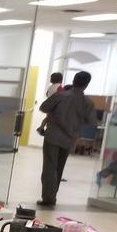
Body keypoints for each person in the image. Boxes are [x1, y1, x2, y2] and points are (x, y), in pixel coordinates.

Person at [37, 71, 96, 207]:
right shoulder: (87, 102)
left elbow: (43, 107)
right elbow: (92, 122)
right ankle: (52, 196)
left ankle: (48, 198)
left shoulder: (61, 95)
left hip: (53, 136)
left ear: (74, 81)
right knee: (59, 168)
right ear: (87, 84)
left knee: (50, 167)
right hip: (70, 138)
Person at [37, 72, 65, 137]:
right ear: (61, 79)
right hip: (55, 106)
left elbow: (47, 94)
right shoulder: (59, 87)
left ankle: (41, 127)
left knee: (47, 117)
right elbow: (62, 96)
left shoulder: (50, 87)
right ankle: (41, 128)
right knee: (49, 118)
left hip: (49, 105)